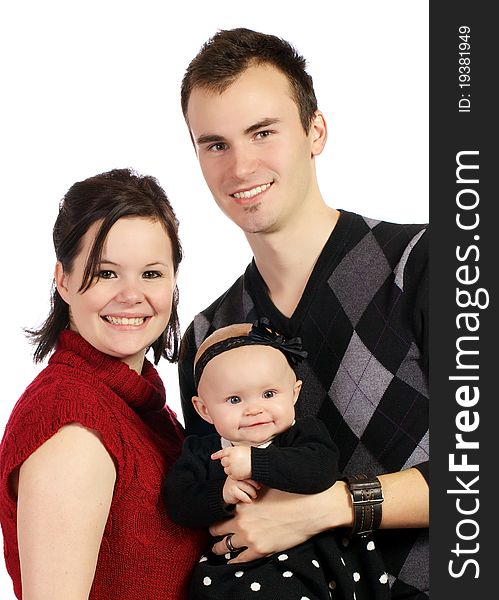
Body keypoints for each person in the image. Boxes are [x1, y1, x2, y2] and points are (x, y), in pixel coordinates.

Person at [178, 28, 429, 599]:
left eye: (262, 133)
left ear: (315, 131)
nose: (241, 167)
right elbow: (211, 502)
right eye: (214, 144)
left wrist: (326, 508)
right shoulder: (209, 336)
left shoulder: (423, 265)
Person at [0, 168, 206, 600]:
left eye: (151, 274)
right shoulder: (72, 424)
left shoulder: (144, 410)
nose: (131, 295)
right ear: (64, 279)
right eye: (106, 273)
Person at [165, 318, 390, 600]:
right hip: (239, 569)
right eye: (235, 400)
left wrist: (256, 462)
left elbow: (321, 472)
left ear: (294, 393)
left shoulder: (302, 434)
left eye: (269, 394)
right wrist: (221, 493)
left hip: (316, 558)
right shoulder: (202, 451)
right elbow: (178, 503)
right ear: (204, 410)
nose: (254, 410)